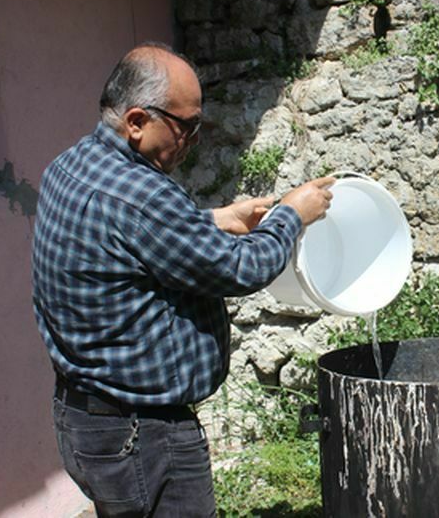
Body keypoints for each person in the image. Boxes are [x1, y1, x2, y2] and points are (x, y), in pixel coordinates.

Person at [31, 42, 334, 517]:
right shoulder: (142, 194)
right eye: (186, 126)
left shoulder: (69, 166)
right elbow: (241, 268)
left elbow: (125, 238)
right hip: (142, 436)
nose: (194, 140)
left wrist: (214, 219)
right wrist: (291, 216)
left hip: (84, 419)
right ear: (136, 121)